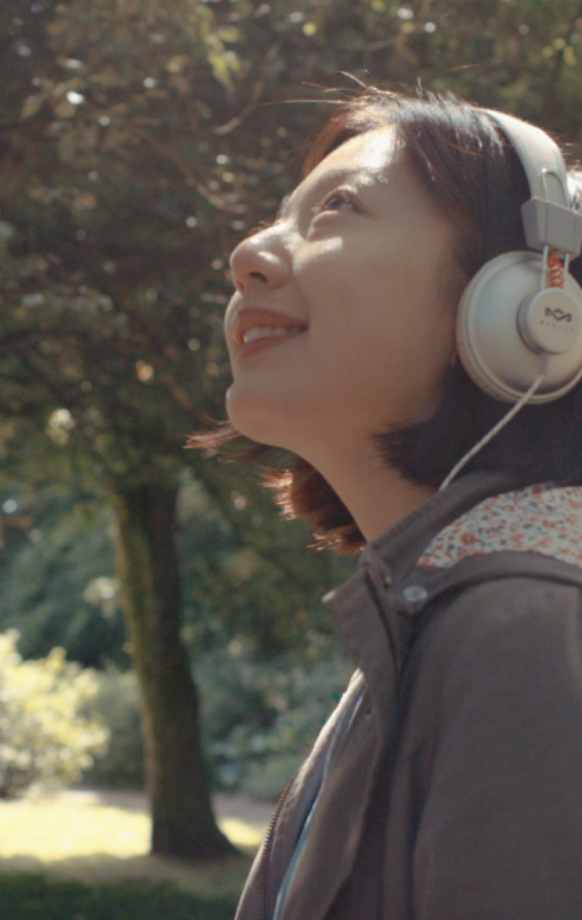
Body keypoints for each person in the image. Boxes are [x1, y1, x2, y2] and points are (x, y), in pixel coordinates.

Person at [215, 89, 582, 919]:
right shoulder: (438, 615)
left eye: (338, 209)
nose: (248, 253)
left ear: (532, 309)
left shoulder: (526, 628)